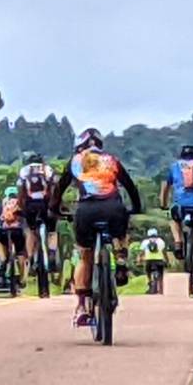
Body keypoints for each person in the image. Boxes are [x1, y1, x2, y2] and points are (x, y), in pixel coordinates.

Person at [52, 129, 144, 327]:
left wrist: (55, 210)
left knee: (85, 255)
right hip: (113, 208)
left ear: (79, 146)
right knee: (120, 232)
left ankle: (82, 306)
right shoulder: (112, 160)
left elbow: (59, 190)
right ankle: (120, 258)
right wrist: (135, 208)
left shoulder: (76, 160)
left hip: (86, 211)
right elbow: (130, 186)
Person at [160, 143, 193, 267]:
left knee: (174, 220)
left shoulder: (175, 167)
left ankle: (178, 241)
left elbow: (166, 186)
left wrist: (163, 203)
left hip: (180, 207)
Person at [16, 150, 61, 283]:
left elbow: (21, 190)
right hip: (46, 205)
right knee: (52, 231)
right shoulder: (47, 169)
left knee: (31, 231)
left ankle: (30, 259)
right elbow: (55, 186)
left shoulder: (24, 171)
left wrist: (20, 207)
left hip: (30, 206)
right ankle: (52, 253)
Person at [0, 184, 27, 289]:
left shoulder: (1, 205)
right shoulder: (20, 204)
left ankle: (3, 260)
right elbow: (26, 217)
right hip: (18, 232)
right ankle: (22, 278)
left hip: (4, 232)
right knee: (21, 252)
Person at [137, 226, 170, 292]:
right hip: (159, 261)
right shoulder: (161, 241)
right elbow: (164, 253)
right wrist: (167, 261)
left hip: (148, 261)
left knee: (147, 271)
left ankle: (149, 281)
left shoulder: (145, 242)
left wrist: (139, 261)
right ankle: (161, 288)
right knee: (161, 275)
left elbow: (141, 253)